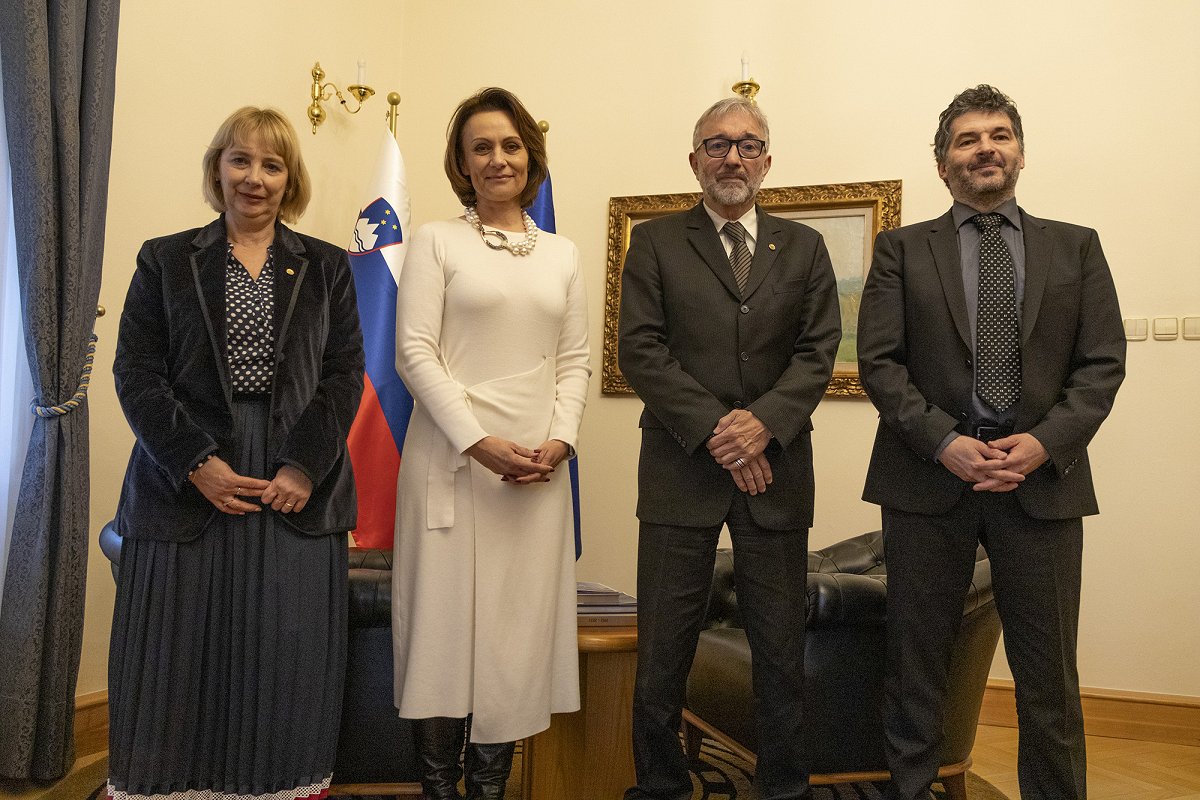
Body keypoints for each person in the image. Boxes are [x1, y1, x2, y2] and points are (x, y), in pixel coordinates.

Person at [857, 84, 1126, 800]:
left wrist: (1043, 443)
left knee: (1049, 679)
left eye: (999, 135)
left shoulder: (1077, 247)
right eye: (967, 139)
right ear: (943, 164)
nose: (985, 148)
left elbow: (1102, 364)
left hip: (1043, 483)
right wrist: (942, 441)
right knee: (916, 669)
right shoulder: (900, 250)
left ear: (1021, 153)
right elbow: (880, 364)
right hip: (926, 483)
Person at [108, 107, 364, 800]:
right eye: (241, 160)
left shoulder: (328, 266)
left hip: (296, 481)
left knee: (283, 658)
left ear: (291, 180)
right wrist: (196, 462)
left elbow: (344, 375)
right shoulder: (164, 259)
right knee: (171, 656)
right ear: (217, 166)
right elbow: (136, 373)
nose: (255, 178)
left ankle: (277, 786)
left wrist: (302, 467)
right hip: (183, 476)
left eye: (272, 165)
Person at [618, 96, 842, 800]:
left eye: (748, 145)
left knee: (779, 651)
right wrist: (724, 429)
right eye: (716, 145)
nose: (732, 157)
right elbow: (641, 352)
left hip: (775, 471)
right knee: (661, 654)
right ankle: (660, 786)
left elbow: (817, 351)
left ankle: (782, 787)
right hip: (680, 470)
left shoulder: (803, 246)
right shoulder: (655, 242)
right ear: (694, 161)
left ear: (768, 161)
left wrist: (763, 424)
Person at [391, 87, 590, 800]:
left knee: (510, 644)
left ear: (530, 156)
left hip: (533, 478)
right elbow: (413, 354)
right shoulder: (437, 242)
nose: (497, 158)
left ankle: (490, 792)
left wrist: (560, 443)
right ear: (462, 162)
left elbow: (574, 363)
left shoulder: (564, 253)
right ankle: (439, 790)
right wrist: (479, 444)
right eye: (482, 147)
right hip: (451, 464)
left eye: (510, 145)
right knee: (442, 638)